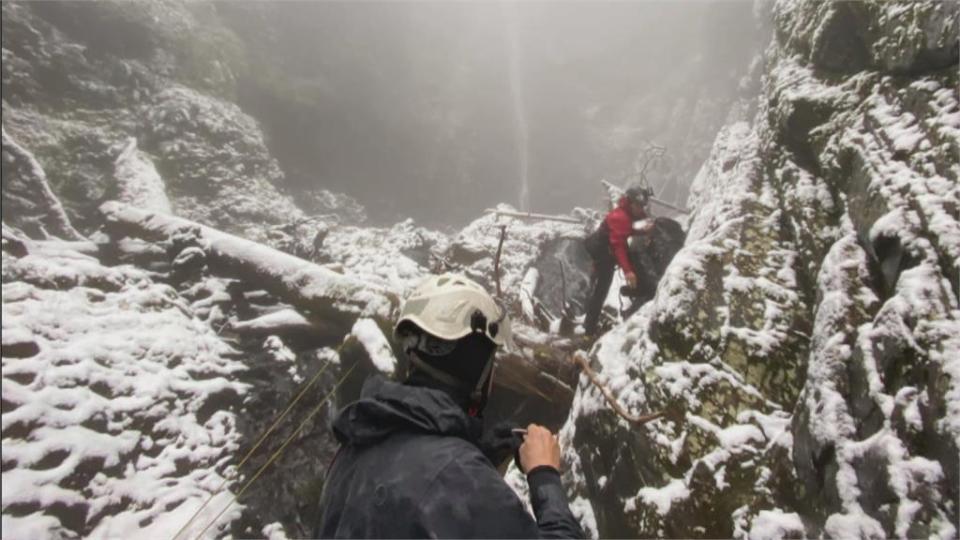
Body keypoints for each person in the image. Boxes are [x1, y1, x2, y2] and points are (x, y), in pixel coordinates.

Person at [315, 273, 585, 539]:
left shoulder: (353, 447)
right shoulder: (459, 476)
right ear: (478, 365)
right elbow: (440, 487)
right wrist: (544, 474)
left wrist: (481, 456)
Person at [582, 185, 654, 335]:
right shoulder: (619, 217)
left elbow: (635, 225)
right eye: (638, 206)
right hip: (602, 254)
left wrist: (645, 230)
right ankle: (588, 329)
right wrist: (628, 272)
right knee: (601, 290)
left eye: (643, 206)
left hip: (611, 249)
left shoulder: (633, 211)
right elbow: (618, 246)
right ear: (630, 203)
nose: (641, 209)